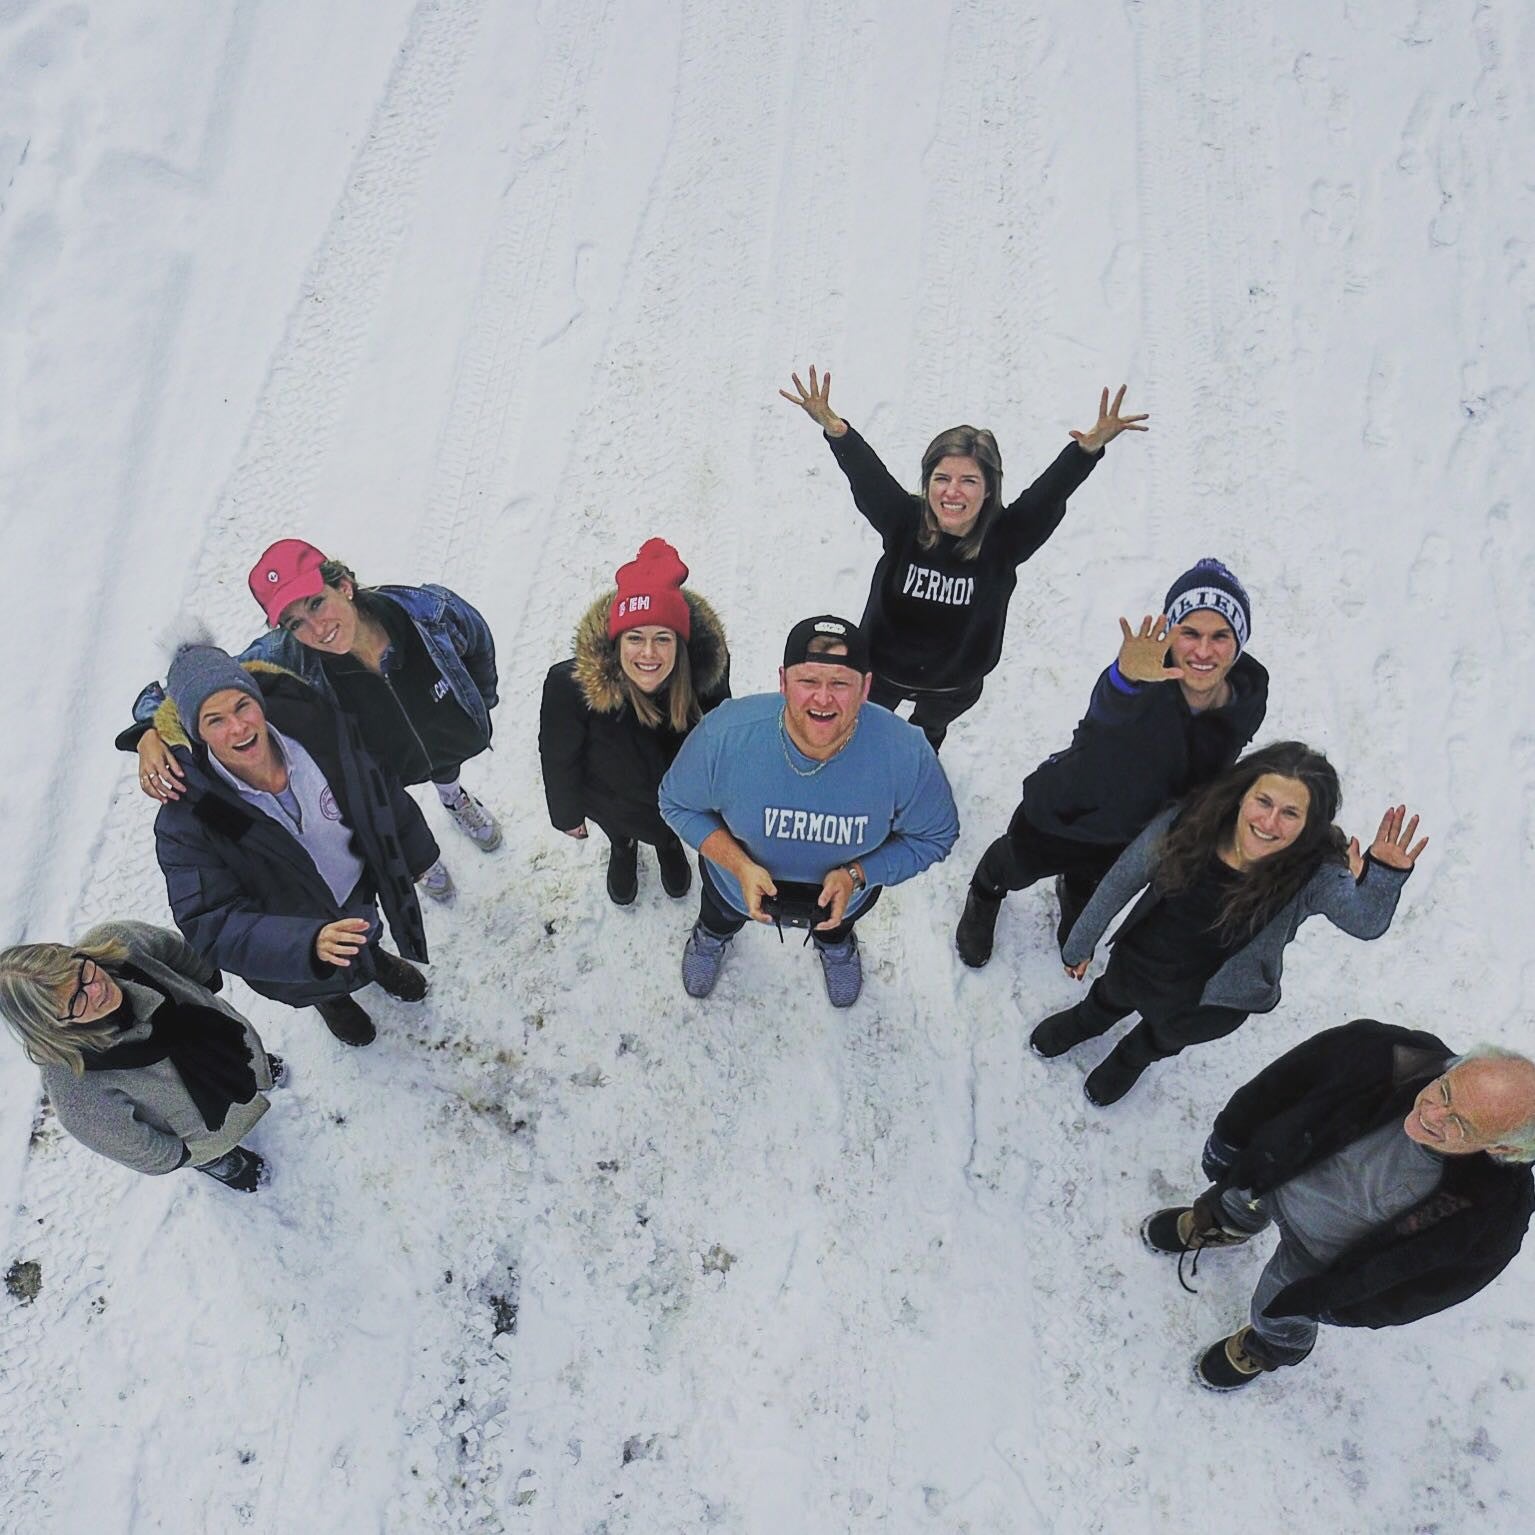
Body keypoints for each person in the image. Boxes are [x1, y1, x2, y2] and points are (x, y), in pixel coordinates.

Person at [1142, 1021, 1535, 1391]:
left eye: (1461, 1125)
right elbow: (1276, 1086)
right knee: (1231, 1205)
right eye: (1445, 1091)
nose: (1430, 1115)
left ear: (1503, 1148)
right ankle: (1224, 1226)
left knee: (1275, 1313)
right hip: (1269, 1177)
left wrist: (1337, 1307)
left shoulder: (1496, 1216)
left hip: (1317, 1263)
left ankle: (1271, 1345)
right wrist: (1228, 1143)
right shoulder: (1382, 1052)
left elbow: (1428, 1291)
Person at [1032, 741, 1427, 1105]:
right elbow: (1123, 878)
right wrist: (1079, 944)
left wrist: (1383, 874)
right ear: (1242, 795)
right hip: (1140, 962)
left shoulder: (1315, 873)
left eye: (1291, 813)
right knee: (1109, 997)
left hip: (1212, 1003)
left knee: (1162, 1039)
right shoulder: (1190, 823)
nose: (1270, 823)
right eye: (1264, 801)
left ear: (1311, 823)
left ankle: (1131, 1058)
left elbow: (1365, 922)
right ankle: (1086, 1022)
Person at [779, 365, 1147, 751]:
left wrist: (1086, 450)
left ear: (988, 489)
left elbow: (1049, 494)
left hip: (952, 686)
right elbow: (868, 476)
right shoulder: (903, 521)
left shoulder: (1006, 539)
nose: (953, 493)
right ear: (928, 482)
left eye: (968, 481)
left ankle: (924, 753)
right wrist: (837, 430)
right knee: (861, 735)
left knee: (924, 738)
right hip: (881, 674)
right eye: (942, 478)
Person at [124, 540, 501, 902]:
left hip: (446, 738)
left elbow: (478, 646)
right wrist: (148, 732)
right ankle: (424, 864)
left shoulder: (428, 611)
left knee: (446, 767)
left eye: (317, 603)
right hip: (383, 767)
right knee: (395, 816)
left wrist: (480, 704)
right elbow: (195, 686)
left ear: (344, 586)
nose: (317, 630)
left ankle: (454, 800)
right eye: (295, 623)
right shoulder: (284, 658)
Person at [956, 558, 1269, 967]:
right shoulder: (1141, 681)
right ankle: (985, 893)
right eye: (1189, 633)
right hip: (1070, 811)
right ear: (1171, 635)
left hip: (1136, 834)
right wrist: (1125, 677)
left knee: (1093, 881)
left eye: (1220, 636)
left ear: (1238, 641)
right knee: (1014, 865)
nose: (1204, 651)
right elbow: (1107, 707)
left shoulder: (1247, 700)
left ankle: (1074, 893)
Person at [146, 641, 438, 1047]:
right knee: (319, 978)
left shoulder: (317, 733)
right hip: (293, 938)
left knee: (365, 930)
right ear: (197, 733)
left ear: (259, 701)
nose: (238, 728)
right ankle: (334, 1002)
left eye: (242, 706)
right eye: (215, 720)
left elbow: (378, 788)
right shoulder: (191, 817)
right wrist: (306, 946)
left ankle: (375, 961)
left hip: (354, 889)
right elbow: (210, 923)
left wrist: (416, 852)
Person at [658, 615, 959, 1007]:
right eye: (808, 682)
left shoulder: (907, 754)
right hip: (734, 886)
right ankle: (713, 937)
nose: (822, 698)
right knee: (719, 915)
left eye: (839, 683)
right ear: (783, 681)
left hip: (845, 897)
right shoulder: (725, 735)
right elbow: (676, 802)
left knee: (835, 926)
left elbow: (936, 836)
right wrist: (739, 867)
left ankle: (834, 945)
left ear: (865, 687)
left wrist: (857, 875)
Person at [0, 921, 281, 1192]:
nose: (97, 989)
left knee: (247, 1060)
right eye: (76, 1000)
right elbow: (135, 1147)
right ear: (52, 1025)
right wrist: (182, 1155)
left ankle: (255, 1071)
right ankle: (216, 1159)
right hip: (203, 1128)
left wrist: (207, 980)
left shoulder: (119, 942)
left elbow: (177, 951)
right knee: (212, 1147)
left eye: (81, 972)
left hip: (223, 1043)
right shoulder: (71, 1083)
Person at [539, 538, 731, 905]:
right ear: (616, 641)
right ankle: (622, 846)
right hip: (613, 800)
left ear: (681, 644)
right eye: (635, 638)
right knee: (619, 828)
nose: (648, 653)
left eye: (662, 638)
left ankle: (669, 844)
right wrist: (566, 813)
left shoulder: (705, 678)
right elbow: (558, 755)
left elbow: (724, 735)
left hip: (676, 800)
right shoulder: (571, 686)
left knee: (667, 829)